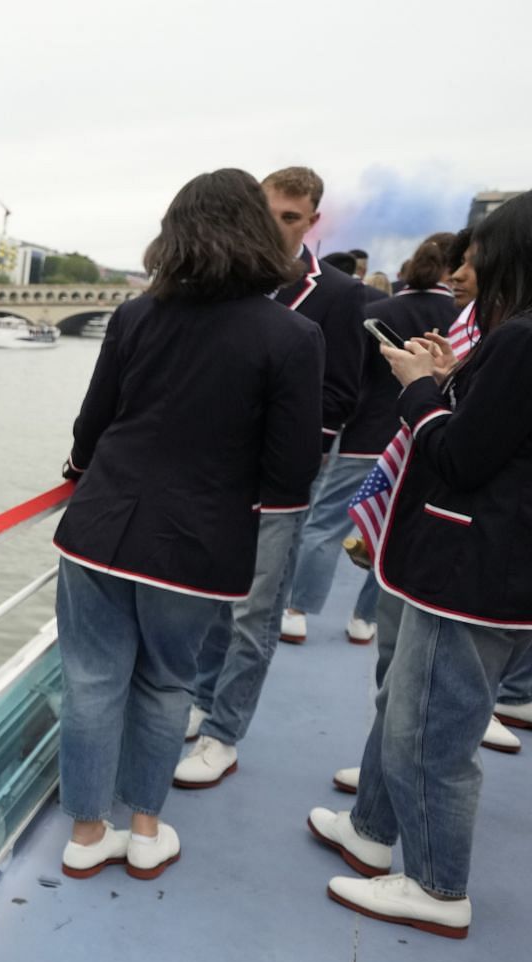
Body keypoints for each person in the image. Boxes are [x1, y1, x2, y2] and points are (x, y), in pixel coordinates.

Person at [53, 169, 322, 879]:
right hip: (198, 543)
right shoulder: (293, 336)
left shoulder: (137, 316)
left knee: (91, 681)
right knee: (168, 684)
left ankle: (86, 834)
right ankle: (145, 827)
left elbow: (93, 426)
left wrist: (85, 468)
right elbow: (292, 471)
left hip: (101, 528)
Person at [308, 194, 532, 938]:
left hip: (469, 569)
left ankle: (438, 887)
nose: (469, 269)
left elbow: (461, 456)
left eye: (480, 254)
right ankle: (371, 828)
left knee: (431, 732)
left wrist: (418, 390)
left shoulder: (519, 341)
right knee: (409, 708)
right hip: (492, 564)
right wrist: (448, 381)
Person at [175, 165, 363, 787]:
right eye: (268, 212)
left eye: (291, 217)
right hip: (212, 477)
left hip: (278, 483)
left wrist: (273, 442)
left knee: (255, 614)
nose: (277, 226)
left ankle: (225, 733)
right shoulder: (221, 284)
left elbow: (338, 397)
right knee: (209, 598)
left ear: (312, 222)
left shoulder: (336, 293)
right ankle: (202, 698)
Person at [283, 231, 459, 644]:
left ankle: (297, 612)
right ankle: (365, 619)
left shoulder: (378, 310)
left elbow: (350, 377)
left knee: (324, 525)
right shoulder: (461, 319)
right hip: (423, 439)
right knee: (393, 532)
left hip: (366, 435)